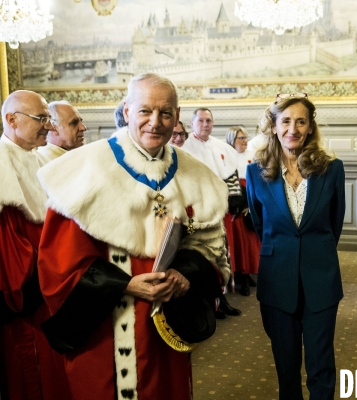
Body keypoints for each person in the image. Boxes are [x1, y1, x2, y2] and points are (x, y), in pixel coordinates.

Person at [36, 73, 230, 400]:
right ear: (127, 111)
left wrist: (186, 274)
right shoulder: (84, 170)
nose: (155, 122)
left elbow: (212, 249)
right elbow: (58, 269)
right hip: (103, 336)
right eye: (145, 111)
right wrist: (123, 284)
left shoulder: (196, 174)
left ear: (177, 116)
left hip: (167, 330)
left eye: (166, 113)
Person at [246, 93, 345, 400]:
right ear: (274, 127)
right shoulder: (256, 173)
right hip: (277, 279)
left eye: (301, 121)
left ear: (311, 127)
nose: (294, 128)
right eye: (286, 121)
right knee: (286, 369)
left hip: (321, 278)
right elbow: (262, 227)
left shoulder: (332, 169)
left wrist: (314, 252)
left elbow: (334, 224)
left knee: (321, 367)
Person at [0, 90, 70, 400]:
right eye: (41, 118)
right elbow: (10, 244)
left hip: (50, 284)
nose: (48, 126)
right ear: (11, 120)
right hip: (28, 292)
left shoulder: (41, 156)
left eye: (49, 118)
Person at [181, 107, 243, 318]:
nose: (206, 124)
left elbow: (228, 176)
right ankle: (209, 303)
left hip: (219, 209)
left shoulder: (219, 146)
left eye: (209, 121)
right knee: (202, 257)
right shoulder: (184, 147)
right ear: (192, 123)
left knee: (221, 254)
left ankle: (221, 299)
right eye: (202, 121)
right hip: (197, 210)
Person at [224, 126, 260, 296]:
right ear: (232, 140)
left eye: (245, 137)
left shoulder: (252, 155)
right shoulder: (228, 157)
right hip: (238, 202)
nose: (245, 141)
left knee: (253, 241)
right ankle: (241, 276)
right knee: (240, 243)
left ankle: (249, 272)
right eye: (241, 138)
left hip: (252, 200)